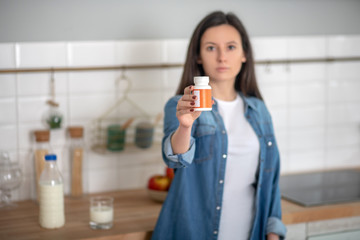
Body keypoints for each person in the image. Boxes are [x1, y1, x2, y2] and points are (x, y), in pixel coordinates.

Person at [152, 11, 287, 240]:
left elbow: (271, 180)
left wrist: (273, 232)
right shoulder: (180, 106)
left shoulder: (259, 110)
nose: (222, 57)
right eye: (211, 48)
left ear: (244, 54)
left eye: (231, 47)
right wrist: (185, 126)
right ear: (198, 56)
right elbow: (175, 159)